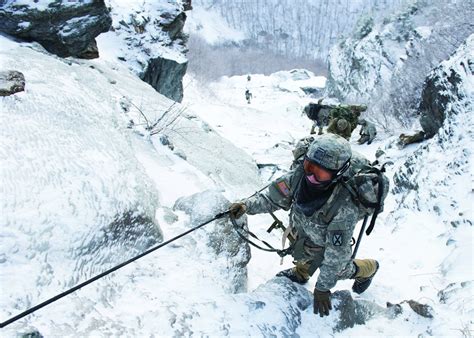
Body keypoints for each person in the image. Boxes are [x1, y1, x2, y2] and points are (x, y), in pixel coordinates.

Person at [229, 134, 381, 317]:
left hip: (328, 242)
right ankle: (302, 273)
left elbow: (336, 254)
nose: (311, 176)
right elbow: (272, 198)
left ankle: (368, 268)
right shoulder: (299, 176)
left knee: (340, 268)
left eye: (320, 172)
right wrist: (246, 205)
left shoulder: (344, 207)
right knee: (300, 248)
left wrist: (323, 288)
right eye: (309, 166)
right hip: (303, 228)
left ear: (337, 173)